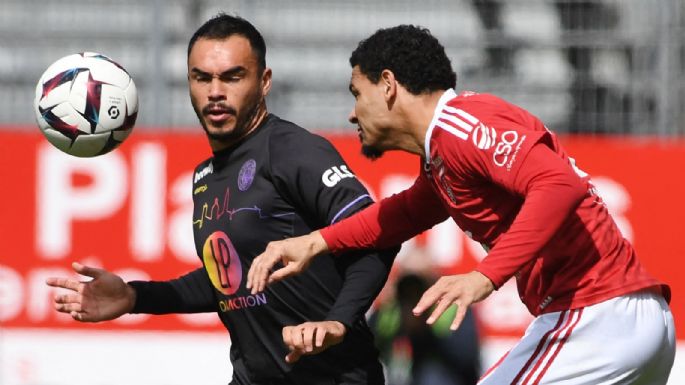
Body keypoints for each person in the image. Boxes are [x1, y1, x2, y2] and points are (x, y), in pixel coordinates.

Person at [247, 25, 676, 384]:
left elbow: (559, 185)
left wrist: (483, 277)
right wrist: (316, 242)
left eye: (357, 93)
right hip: (628, 319)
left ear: (389, 85)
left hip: (597, 317)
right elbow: (405, 213)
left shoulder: (462, 125)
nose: (352, 114)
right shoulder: (441, 156)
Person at [46, 13, 398, 385]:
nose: (215, 91)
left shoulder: (293, 150)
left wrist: (338, 321)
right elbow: (229, 279)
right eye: (202, 78)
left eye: (232, 77)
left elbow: (376, 234)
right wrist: (135, 296)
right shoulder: (204, 177)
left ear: (264, 82)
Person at [369, 272, 481, 385]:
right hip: (401, 374)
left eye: (418, 294)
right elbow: (367, 350)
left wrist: (426, 331)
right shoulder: (387, 315)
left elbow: (467, 358)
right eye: (406, 297)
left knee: (431, 373)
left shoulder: (452, 310)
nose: (413, 303)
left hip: (447, 377)